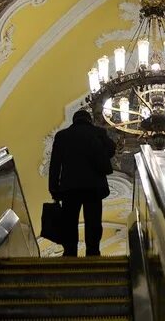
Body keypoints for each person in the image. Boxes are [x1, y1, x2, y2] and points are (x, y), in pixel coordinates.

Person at [48, 109, 116, 256]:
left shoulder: (62, 136)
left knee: (69, 221)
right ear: (89, 120)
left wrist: (54, 188)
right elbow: (111, 149)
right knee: (93, 221)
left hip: (69, 187)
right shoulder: (98, 132)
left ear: (74, 120)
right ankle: (93, 251)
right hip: (94, 186)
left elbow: (55, 164)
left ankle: (70, 252)